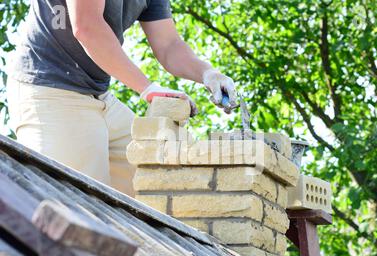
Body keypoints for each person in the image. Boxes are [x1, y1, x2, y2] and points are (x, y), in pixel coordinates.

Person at [6, 0, 238, 197]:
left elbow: (169, 45)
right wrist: (147, 88)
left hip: (99, 97)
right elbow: (87, 26)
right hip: (49, 92)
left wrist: (208, 73)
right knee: (78, 207)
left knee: (163, 181)